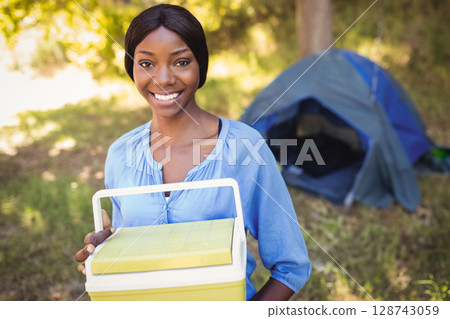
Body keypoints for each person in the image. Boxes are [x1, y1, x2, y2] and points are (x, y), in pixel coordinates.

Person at [75, 3, 310, 301]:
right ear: (131, 69)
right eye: (147, 63)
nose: (163, 78)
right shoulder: (120, 154)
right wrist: (105, 251)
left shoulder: (244, 149)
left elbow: (291, 267)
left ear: (201, 65)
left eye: (181, 62)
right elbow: (132, 246)